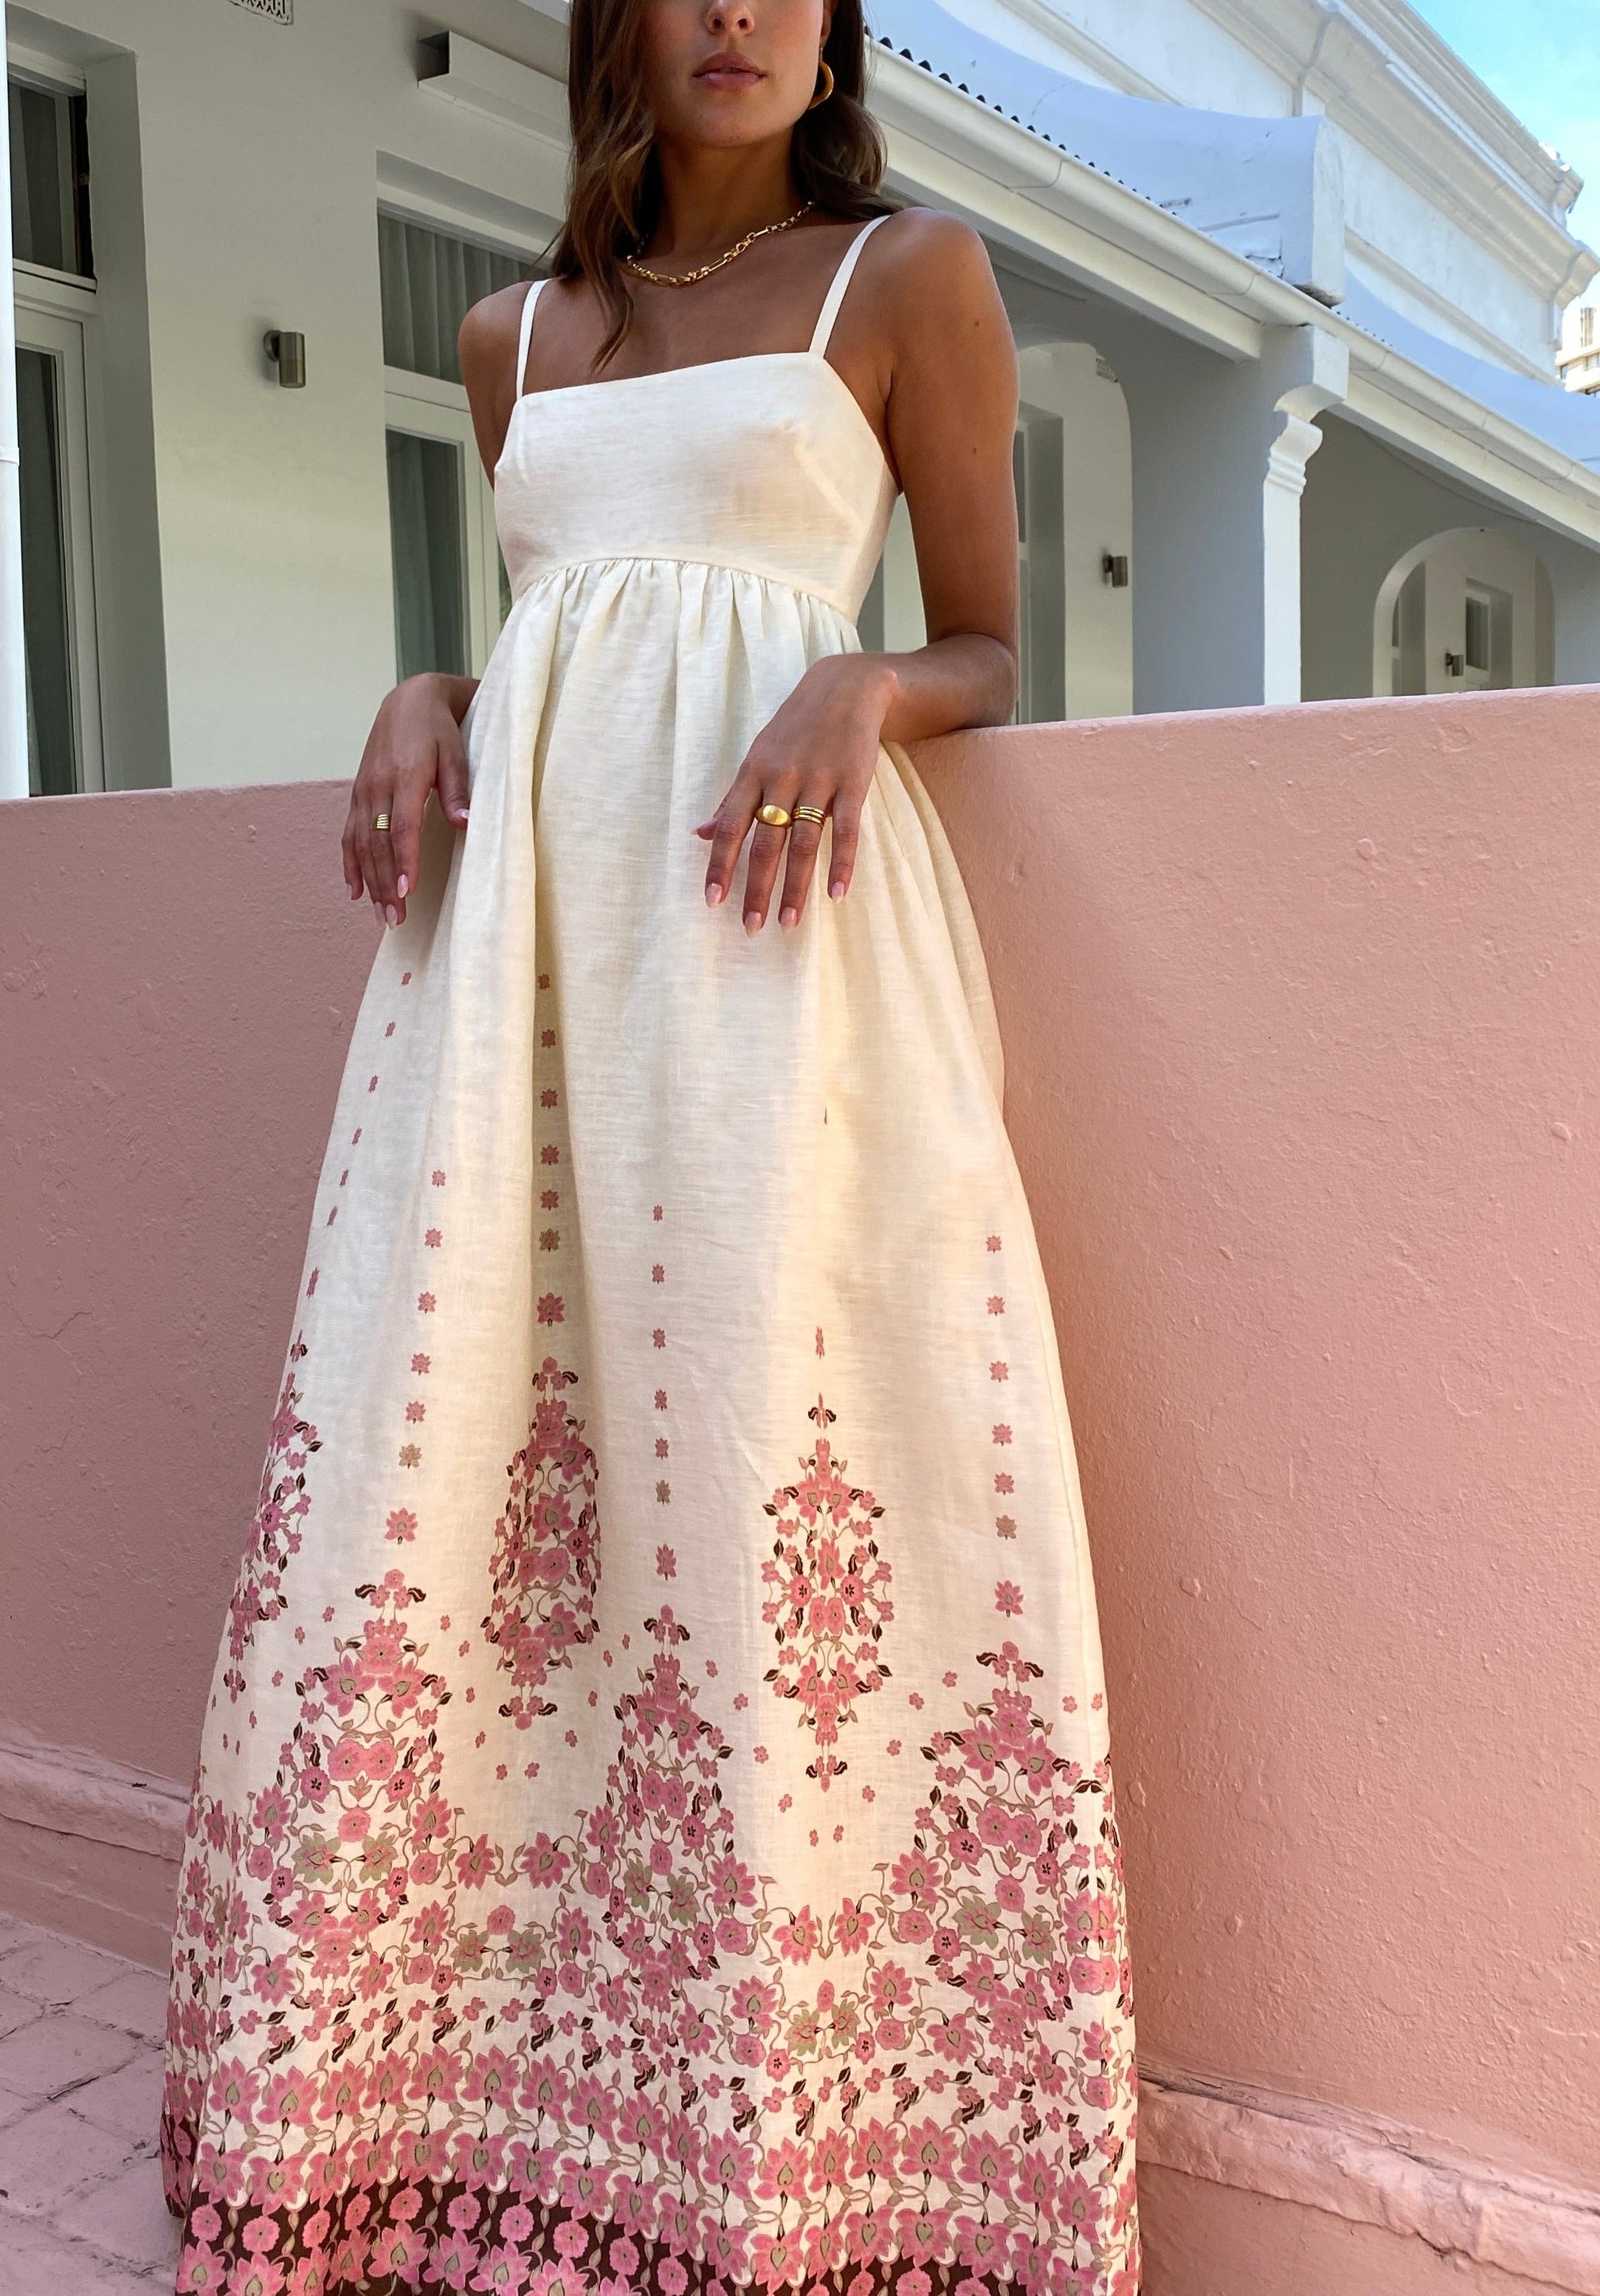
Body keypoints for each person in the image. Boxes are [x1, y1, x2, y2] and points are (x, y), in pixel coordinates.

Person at [162, 2, 1139, 2290]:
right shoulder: (510, 335)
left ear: (837, 33)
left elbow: (992, 645)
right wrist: (428, 691)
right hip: (512, 985)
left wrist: (866, 676)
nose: (739, 15)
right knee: (469, 1465)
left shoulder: (907, 273)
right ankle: (437, 2107)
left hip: (775, 960)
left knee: (776, 1455)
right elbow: (563, 633)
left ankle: (800, 2160)